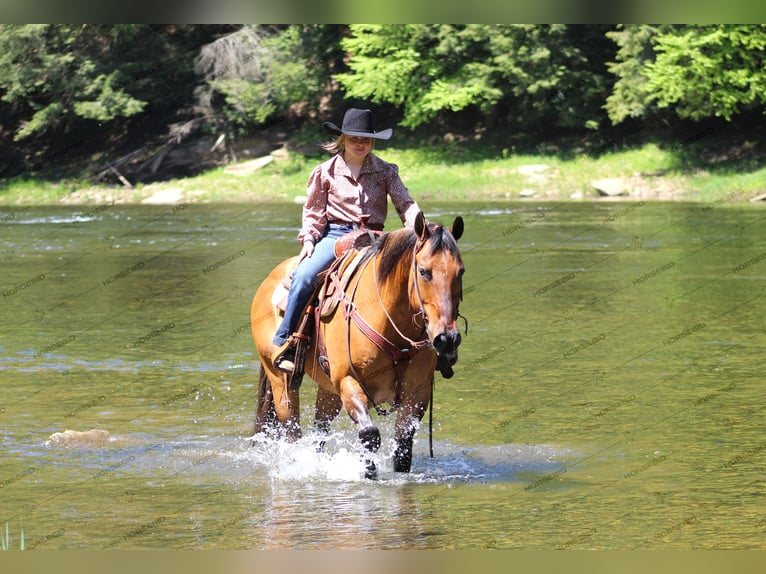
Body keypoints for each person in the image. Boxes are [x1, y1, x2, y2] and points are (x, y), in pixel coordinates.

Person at [272, 107, 422, 372]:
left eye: (365, 139)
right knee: (305, 276)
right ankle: (289, 341)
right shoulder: (325, 172)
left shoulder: (386, 171)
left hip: (376, 237)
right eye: (354, 138)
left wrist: (420, 228)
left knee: (419, 277)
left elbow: (405, 204)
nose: (360, 144)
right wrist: (309, 241)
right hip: (336, 236)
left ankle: (429, 345)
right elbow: (314, 212)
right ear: (342, 139)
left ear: (372, 141)